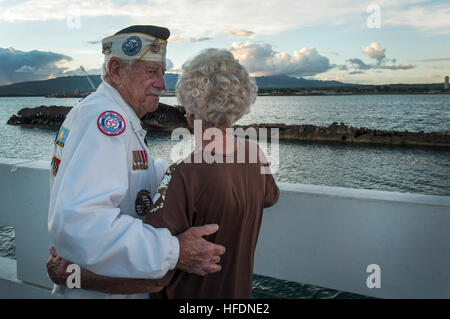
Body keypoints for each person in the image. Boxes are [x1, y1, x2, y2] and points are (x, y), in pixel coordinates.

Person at [47, 48, 280, 298]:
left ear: (189, 112)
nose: (160, 81)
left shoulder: (186, 174)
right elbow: (270, 197)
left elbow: (156, 279)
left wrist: (70, 275)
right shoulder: (255, 155)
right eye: (152, 71)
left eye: (163, 72)